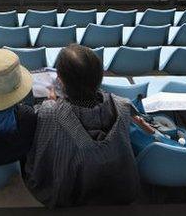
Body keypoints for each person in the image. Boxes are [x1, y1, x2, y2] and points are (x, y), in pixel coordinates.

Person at [23, 44, 141, 208]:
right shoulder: (123, 106)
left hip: (66, 194)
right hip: (119, 190)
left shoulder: (48, 112)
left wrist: (52, 103)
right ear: (100, 76)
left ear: (61, 80)